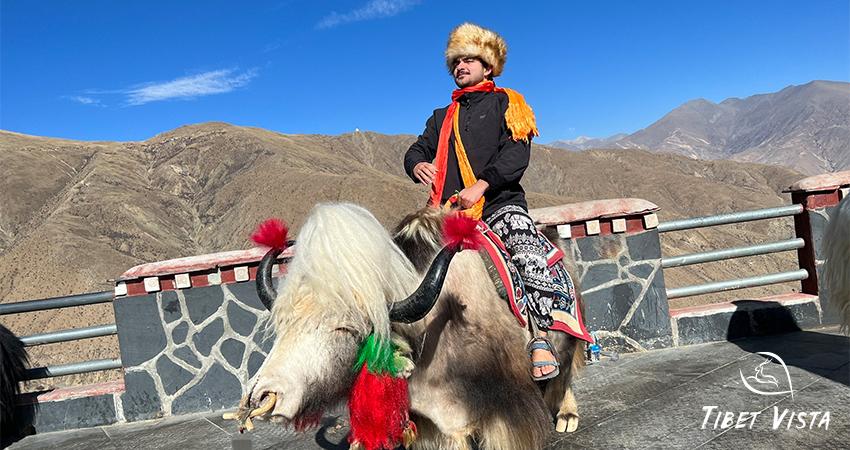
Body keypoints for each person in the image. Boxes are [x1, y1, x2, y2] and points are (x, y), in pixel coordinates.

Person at [404, 23, 563, 381]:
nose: (461, 66)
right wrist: (418, 164)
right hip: (450, 213)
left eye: (469, 59)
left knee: (526, 253)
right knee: (411, 258)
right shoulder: (440, 118)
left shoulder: (510, 102)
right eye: (456, 61)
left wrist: (482, 185)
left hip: (500, 204)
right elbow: (417, 149)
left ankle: (540, 337)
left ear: (488, 66)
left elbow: (515, 154)